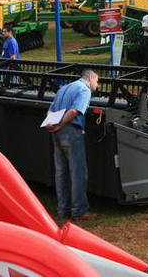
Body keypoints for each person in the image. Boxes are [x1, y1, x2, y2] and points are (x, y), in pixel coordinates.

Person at [45, 69, 99, 220]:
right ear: (90, 78)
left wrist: (52, 125)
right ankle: (79, 211)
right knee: (77, 172)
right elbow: (75, 110)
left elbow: (50, 110)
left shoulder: (63, 88)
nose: (97, 85)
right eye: (97, 81)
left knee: (61, 173)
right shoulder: (84, 89)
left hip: (56, 132)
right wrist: (62, 124)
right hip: (71, 132)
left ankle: (63, 210)